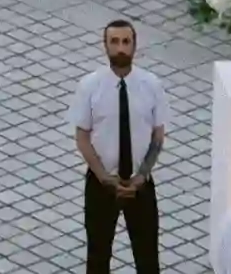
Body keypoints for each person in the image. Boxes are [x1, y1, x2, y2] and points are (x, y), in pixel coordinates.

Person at [69, 17, 167, 274]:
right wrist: (104, 177)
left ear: (135, 46)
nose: (121, 48)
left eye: (126, 42)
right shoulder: (90, 86)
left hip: (140, 184)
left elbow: (158, 136)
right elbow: (82, 137)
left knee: (147, 258)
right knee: (98, 257)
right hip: (101, 183)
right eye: (115, 42)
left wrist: (142, 175)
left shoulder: (151, 85)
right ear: (105, 46)